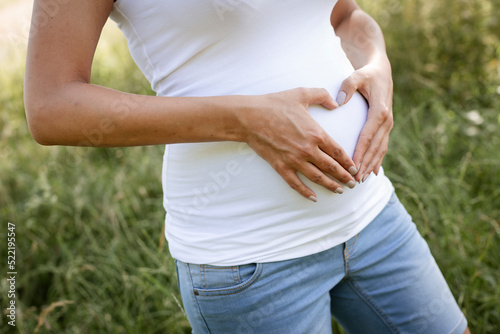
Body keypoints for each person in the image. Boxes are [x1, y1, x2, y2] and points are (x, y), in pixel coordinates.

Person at [24, 0, 469, 333]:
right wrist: (245, 119)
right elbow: (51, 105)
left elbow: (343, 16)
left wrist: (377, 64)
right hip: (249, 259)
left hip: (371, 216)